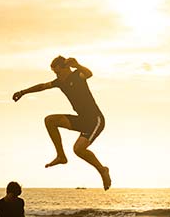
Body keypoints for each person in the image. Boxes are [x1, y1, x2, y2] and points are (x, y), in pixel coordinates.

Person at [13, 56, 112, 190]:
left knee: (78, 149)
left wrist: (77, 65)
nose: (57, 75)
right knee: (50, 120)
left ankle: (102, 170)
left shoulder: (78, 75)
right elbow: (42, 86)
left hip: (95, 120)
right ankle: (61, 155)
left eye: (58, 72)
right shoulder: (60, 82)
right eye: (55, 73)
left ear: (66, 68)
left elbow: (89, 74)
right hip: (81, 120)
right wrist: (23, 92)